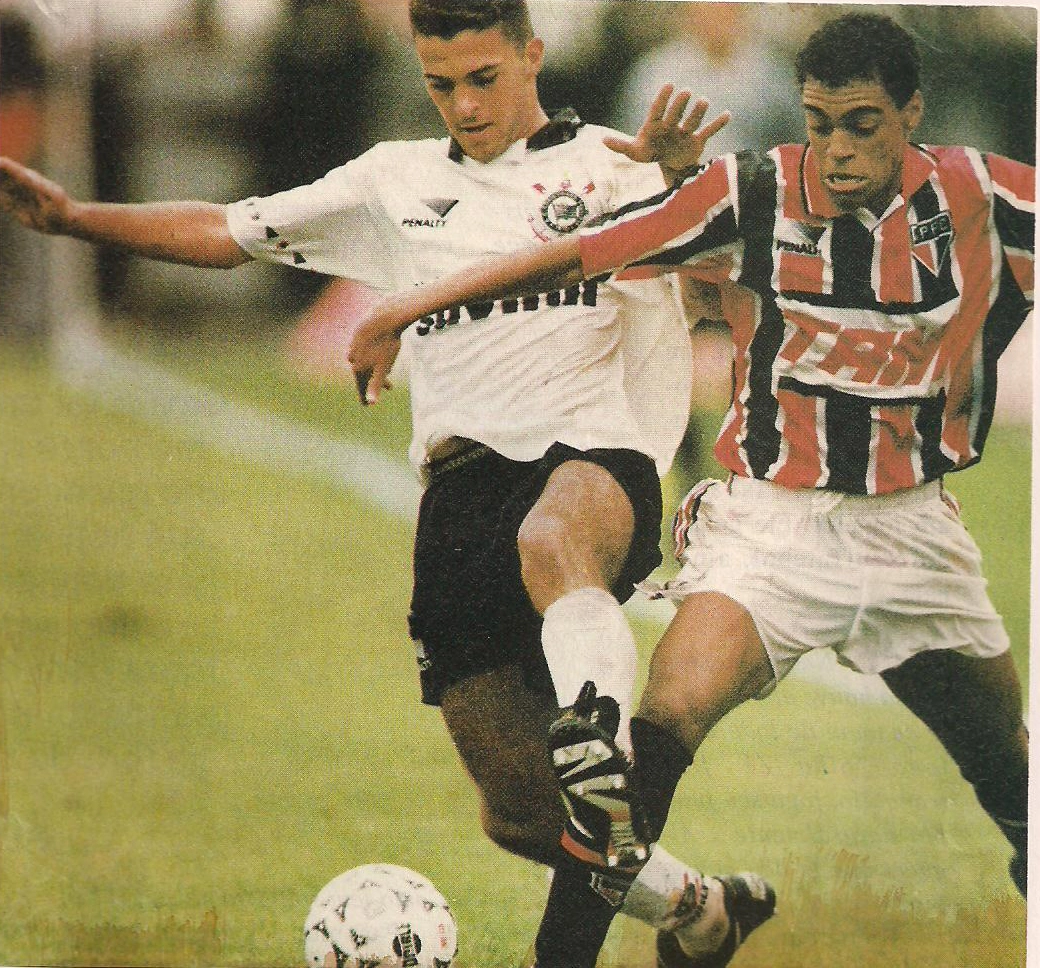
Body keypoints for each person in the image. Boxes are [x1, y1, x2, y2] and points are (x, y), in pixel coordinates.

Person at [0, 2, 776, 965]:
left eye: (484, 78)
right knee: (519, 817)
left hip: (593, 459)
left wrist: (671, 175)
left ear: (533, 55)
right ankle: (699, 908)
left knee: (553, 540)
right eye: (441, 84)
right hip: (460, 495)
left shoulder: (618, 165)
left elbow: (728, 249)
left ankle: (596, 734)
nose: (464, 103)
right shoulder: (391, 182)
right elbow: (227, 229)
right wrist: (75, 219)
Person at [346, 13, 1032, 967]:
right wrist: (411, 304)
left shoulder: (992, 199)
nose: (836, 150)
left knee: (1017, 786)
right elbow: (582, 252)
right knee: (641, 752)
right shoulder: (754, 192)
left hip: (919, 537)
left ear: (913, 114)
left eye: (865, 124)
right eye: (819, 120)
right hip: (773, 533)